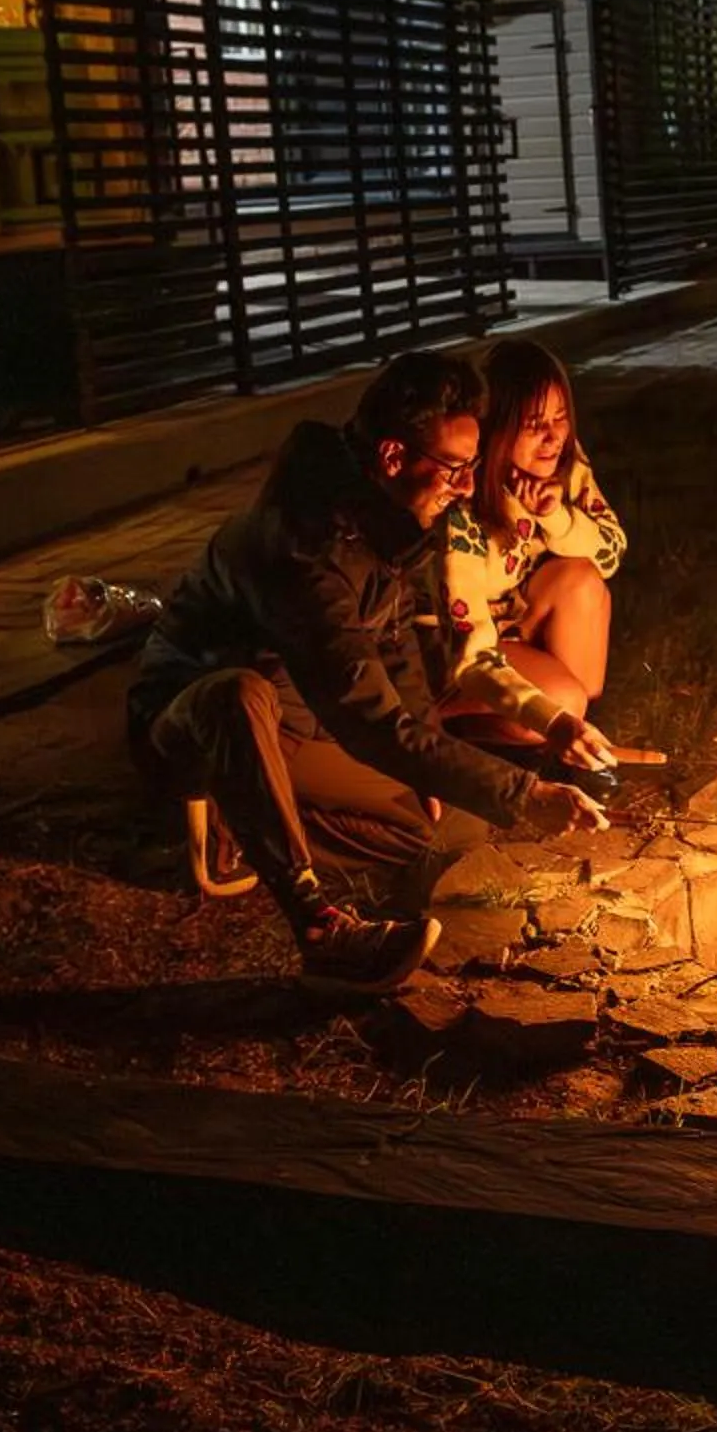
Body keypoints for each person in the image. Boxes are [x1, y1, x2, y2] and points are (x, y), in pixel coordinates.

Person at [128, 350, 610, 992]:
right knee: (236, 695)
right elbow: (364, 717)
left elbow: (398, 657)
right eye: (454, 469)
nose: (466, 487)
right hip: (196, 724)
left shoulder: (395, 520)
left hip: (302, 718)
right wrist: (524, 792)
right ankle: (321, 927)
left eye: (471, 467)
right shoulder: (305, 553)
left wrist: (430, 751)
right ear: (391, 457)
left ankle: (244, 815)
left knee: (425, 823)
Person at [432, 340, 625, 770]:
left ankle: (551, 735)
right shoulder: (464, 500)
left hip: (516, 623)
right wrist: (549, 713)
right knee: (563, 699)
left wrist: (557, 516)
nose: (553, 436)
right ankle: (447, 725)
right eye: (534, 424)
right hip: (460, 645)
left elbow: (610, 553)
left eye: (560, 419)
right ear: (499, 428)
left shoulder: (564, 464)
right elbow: (470, 646)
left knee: (582, 583)